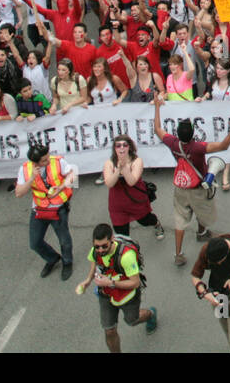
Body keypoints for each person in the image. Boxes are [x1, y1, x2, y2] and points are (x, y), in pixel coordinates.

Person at [153, 112, 230, 266]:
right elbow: (224, 146)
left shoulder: (173, 143)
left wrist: (156, 105)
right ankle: (201, 232)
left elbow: (157, 128)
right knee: (203, 211)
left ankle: (178, 254)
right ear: (193, 134)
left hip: (181, 189)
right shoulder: (198, 147)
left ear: (178, 134)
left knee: (180, 220)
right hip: (198, 188)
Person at [74, 223, 158, 352]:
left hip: (127, 296)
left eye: (104, 246)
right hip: (106, 294)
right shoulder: (95, 252)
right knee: (109, 330)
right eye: (97, 246)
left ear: (112, 239)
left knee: (132, 321)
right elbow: (94, 266)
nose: (100, 250)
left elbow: (135, 283)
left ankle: (150, 314)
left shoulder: (126, 256)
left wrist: (110, 283)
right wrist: (87, 281)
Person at [14, 142, 78, 280]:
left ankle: (67, 262)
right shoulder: (25, 169)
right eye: (44, 160)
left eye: (48, 157)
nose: (48, 160)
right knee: (35, 243)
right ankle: (52, 258)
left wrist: (60, 188)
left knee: (64, 240)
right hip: (39, 209)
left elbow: (73, 176)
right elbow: (19, 193)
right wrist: (31, 178)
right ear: (35, 162)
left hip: (59, 209)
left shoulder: (58, 162)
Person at [104, 135, 163, 239]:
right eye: (118, 146)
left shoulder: (137, 161)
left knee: (146, 220)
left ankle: (156, 224)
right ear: (114, 148)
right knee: (122, 236)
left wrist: (125, 168)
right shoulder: (109, 163)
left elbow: (132, 181)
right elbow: (109, 183)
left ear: (129, 147)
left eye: (124, 145)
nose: (121, 148)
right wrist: (118, 170)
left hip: (136, 201)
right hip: (117, 205)